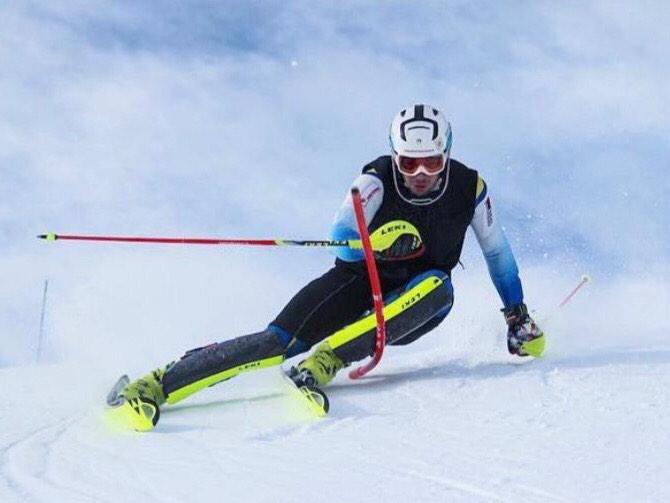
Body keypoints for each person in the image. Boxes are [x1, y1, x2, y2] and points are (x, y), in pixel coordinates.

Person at [118, 104, 545, 426]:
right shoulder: (375, 180)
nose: (419, 173)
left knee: (437, 285)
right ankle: (155, 384)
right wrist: (376, 246)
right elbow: (341, 238)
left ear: (447, 153)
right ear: (394, 155)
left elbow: (497, 252)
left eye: (431, 162)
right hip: (359, 280)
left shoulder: (469, 188)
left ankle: (325, 362)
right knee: (276, 342)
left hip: (416, 305)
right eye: (408, 162)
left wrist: (517, 315)